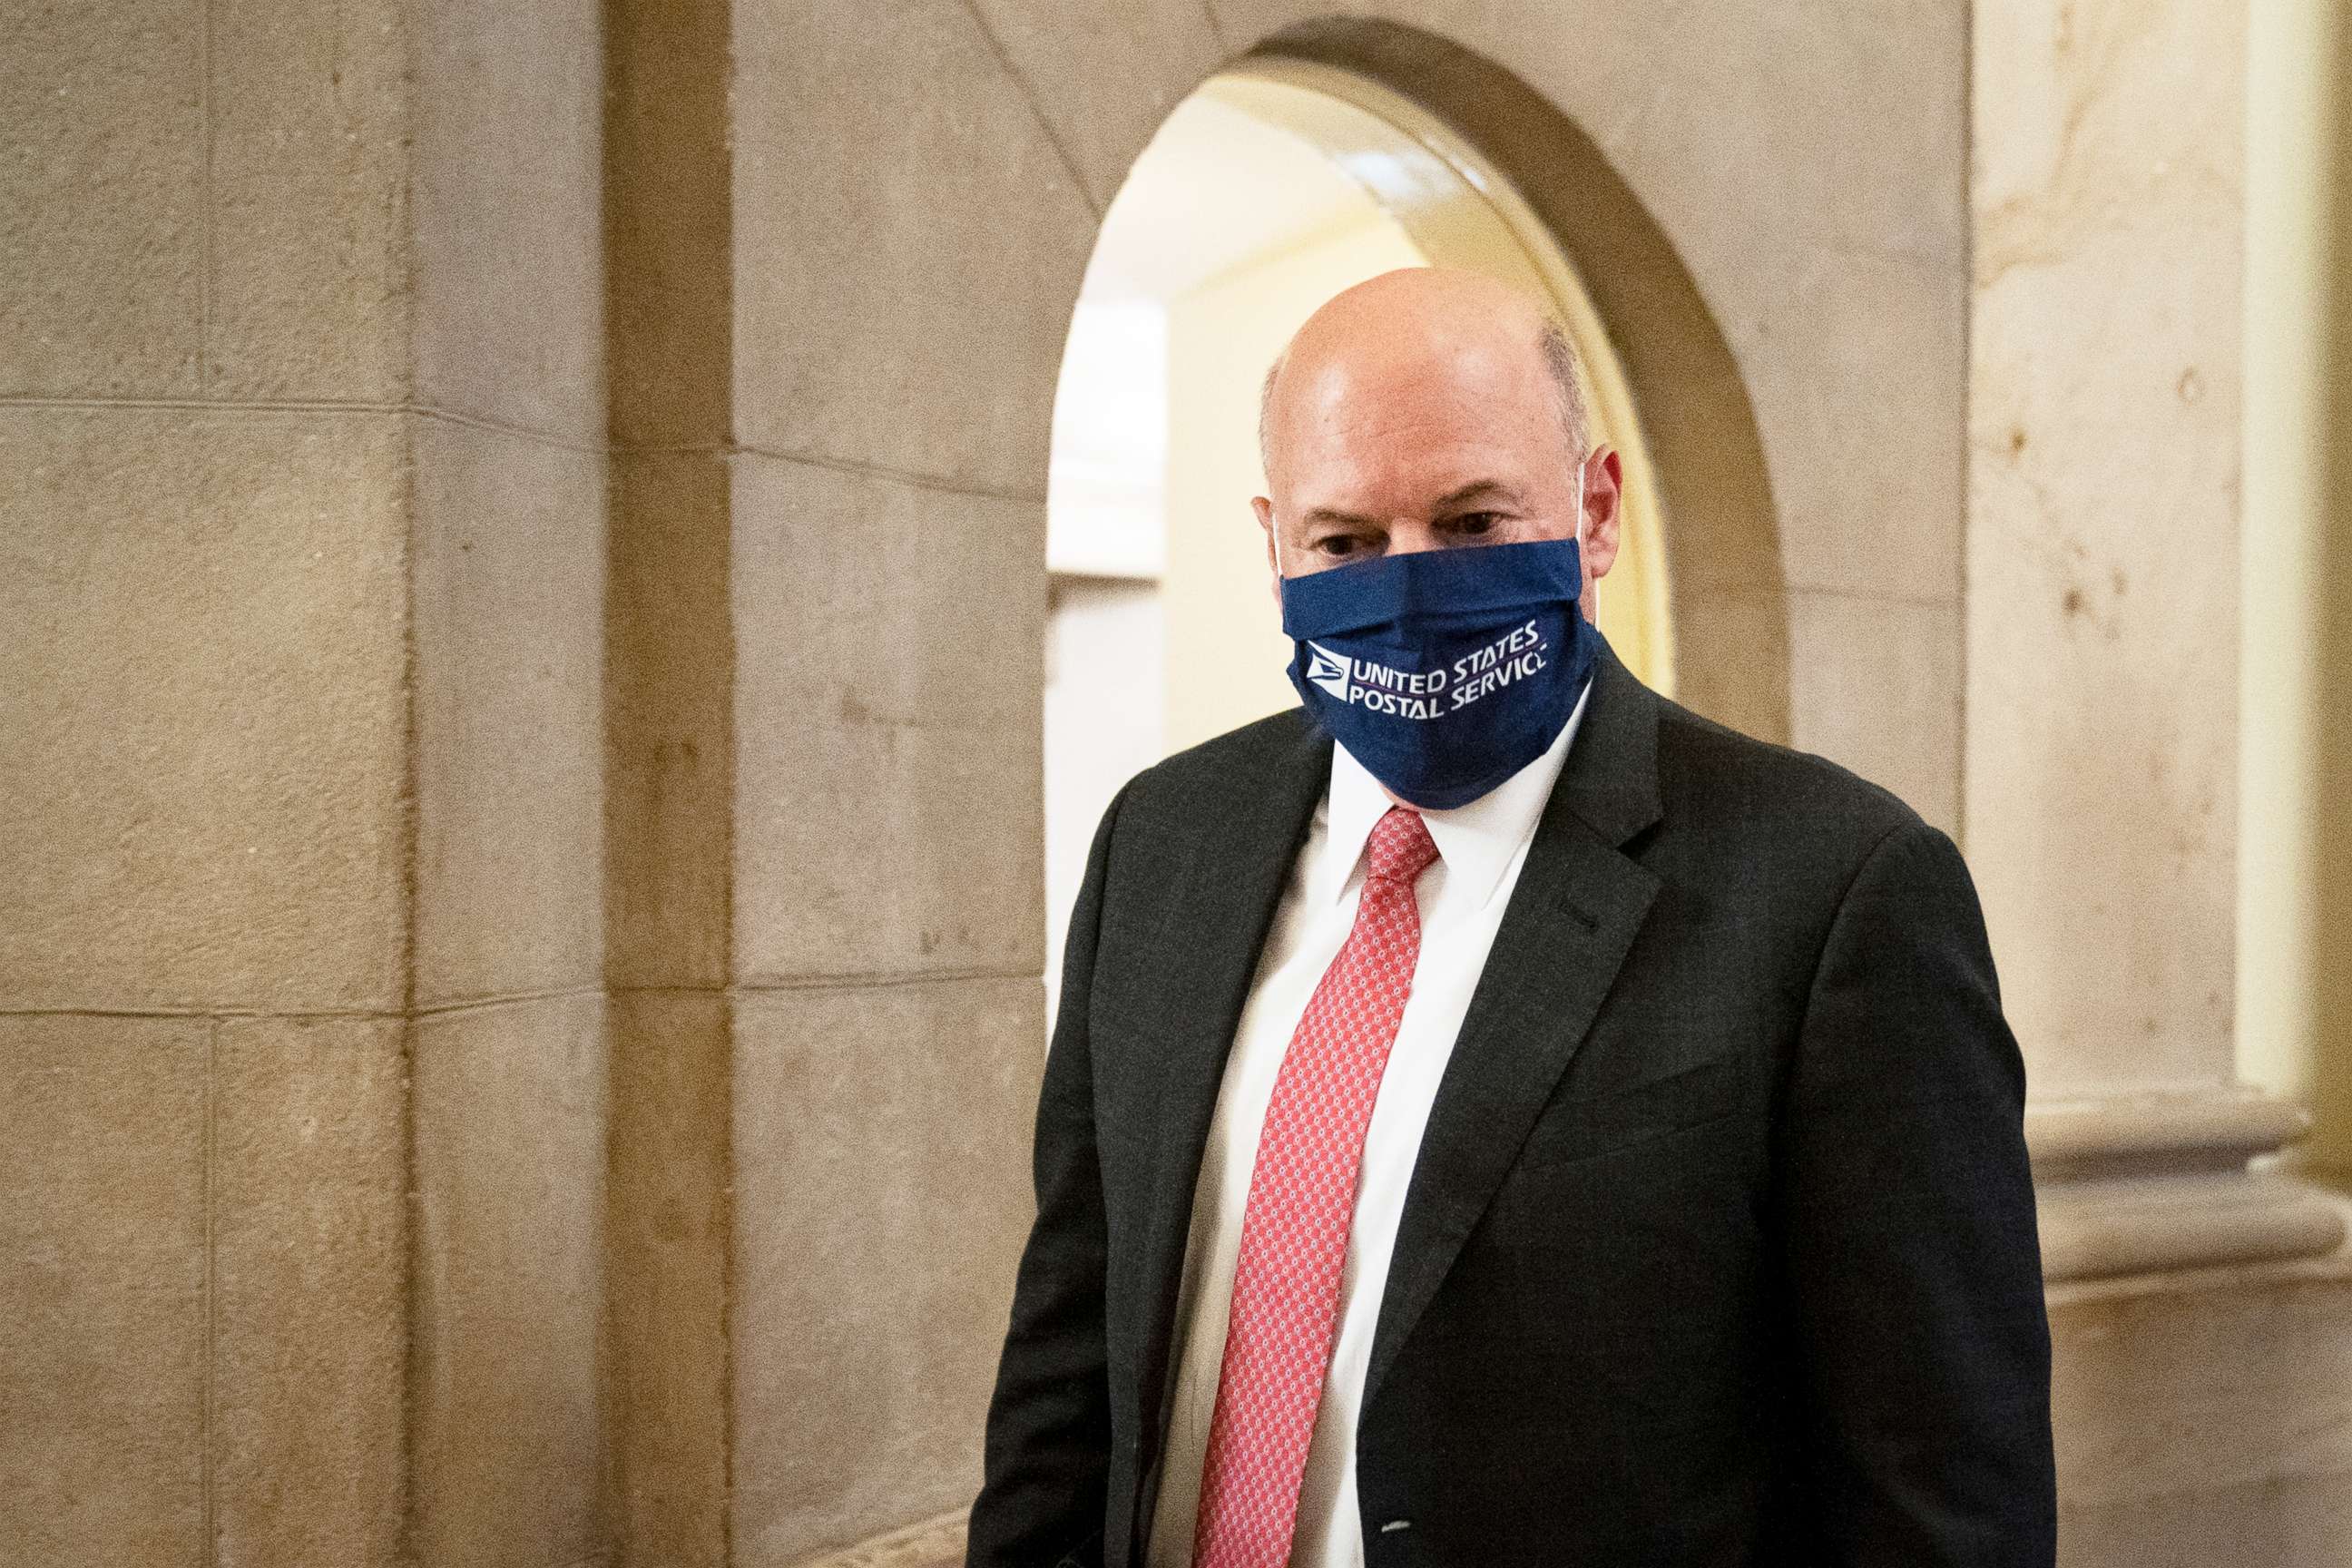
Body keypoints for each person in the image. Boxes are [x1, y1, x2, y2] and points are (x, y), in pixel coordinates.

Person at [966, 267, 2055, 1568]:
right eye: (1346, 544)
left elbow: (1937, 1493)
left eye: (1475, 522)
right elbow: (1067, 1362)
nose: (1409, 589)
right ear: (1275, 548)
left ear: (1593, 511)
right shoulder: (1163, 843)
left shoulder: (1834, 892)